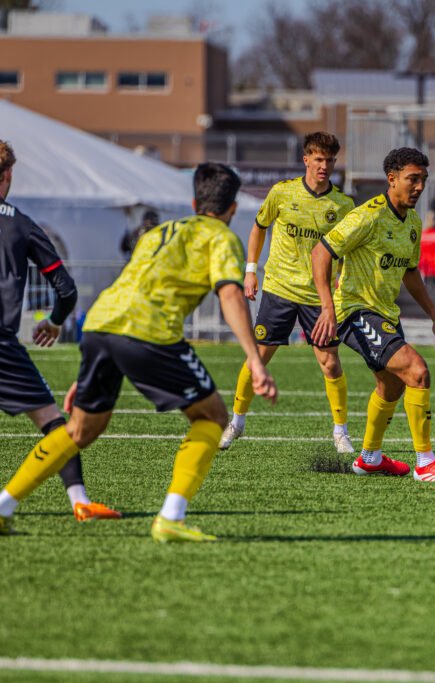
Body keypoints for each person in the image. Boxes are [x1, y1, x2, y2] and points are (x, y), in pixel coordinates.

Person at [0, 163, 278, 540]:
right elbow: (230, 293)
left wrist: (93, 370)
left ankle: (4, 505)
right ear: (231, 210)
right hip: (148, 330)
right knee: (212, 416)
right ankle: (171, 518)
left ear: (195, 201)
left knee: (81, 428)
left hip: (100, 326)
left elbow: (128, 283)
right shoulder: (221, 237)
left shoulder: (158, 232)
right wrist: (254, 359)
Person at [310, 148, 435, 483]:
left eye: (423, 179)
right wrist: (328, 308)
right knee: (417, 372)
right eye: (412, 179)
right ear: (391, 179)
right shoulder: (368, 216)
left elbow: (410, 273)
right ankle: (425, 463)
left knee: (391, 386)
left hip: (385, 314)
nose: (420, 186)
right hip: (355, 310)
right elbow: (320, 252)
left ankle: (369, 459)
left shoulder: (414, 223)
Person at [0, 140, 120, 525]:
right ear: (7, 176)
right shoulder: (20, 224)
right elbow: (65, 289)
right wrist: (53, 321)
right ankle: (79, 501)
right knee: (55, 423)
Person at [220, 132, 355, 454]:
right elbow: (259, 227)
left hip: (316, 297)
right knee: (258, 358)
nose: (325, 166)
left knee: (330, 364)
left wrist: (341, 281)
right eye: (319, 159)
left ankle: (341, 432)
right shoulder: (282, 193)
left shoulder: (344, 205)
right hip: (279, 288)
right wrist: (250, 271)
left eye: (330, 160)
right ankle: (236, 421)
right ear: (306, 159)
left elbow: (349, 248)